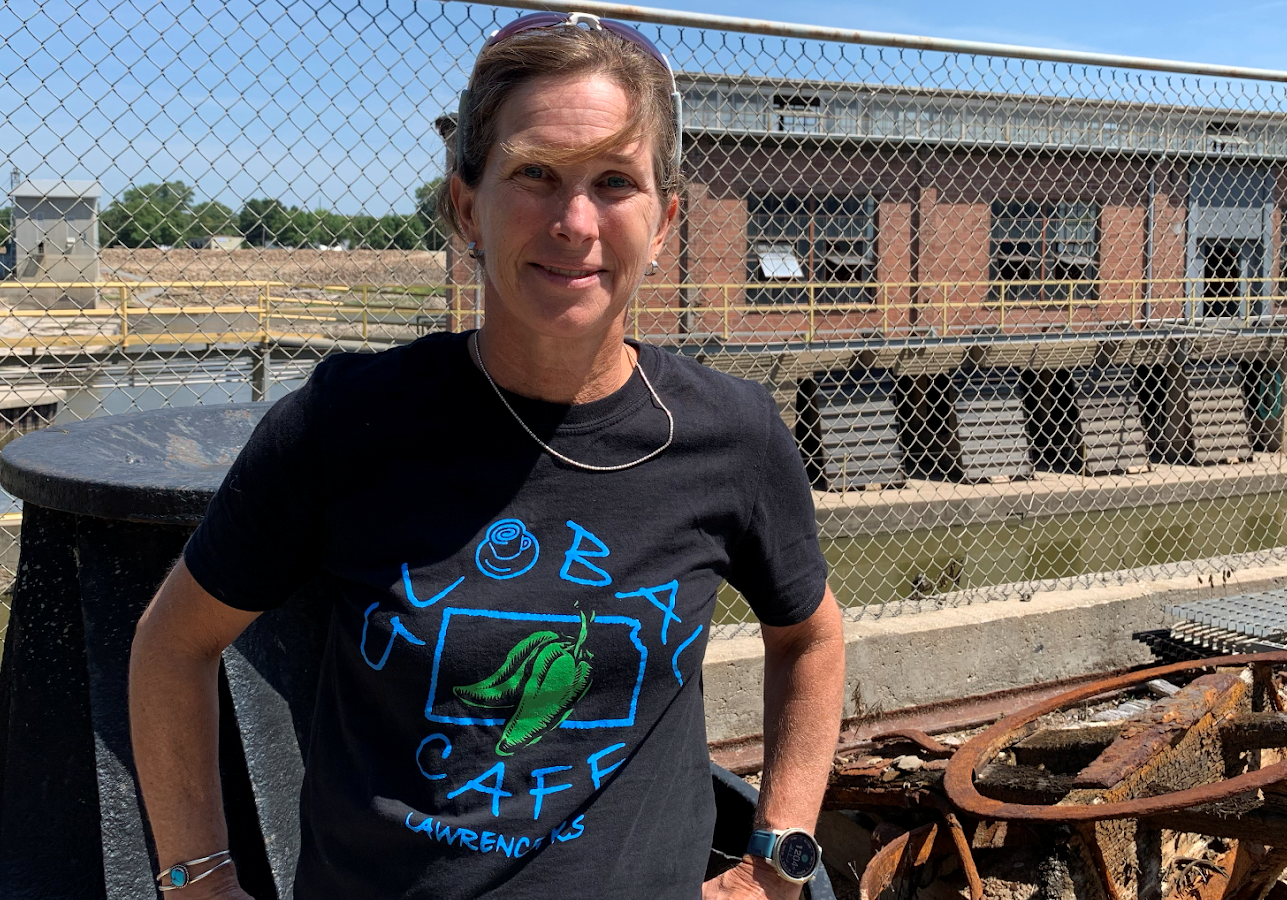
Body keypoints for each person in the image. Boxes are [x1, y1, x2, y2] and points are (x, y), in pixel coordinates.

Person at [129, 12, 845, 899]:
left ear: (662, 225)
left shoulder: (731, 435)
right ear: (467, 205)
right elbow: (172, 646)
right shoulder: (347, 421)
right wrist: (197, 879)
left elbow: (810, 637)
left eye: (614, 182)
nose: (575, 221)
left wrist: (776, 861)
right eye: (534, 173)